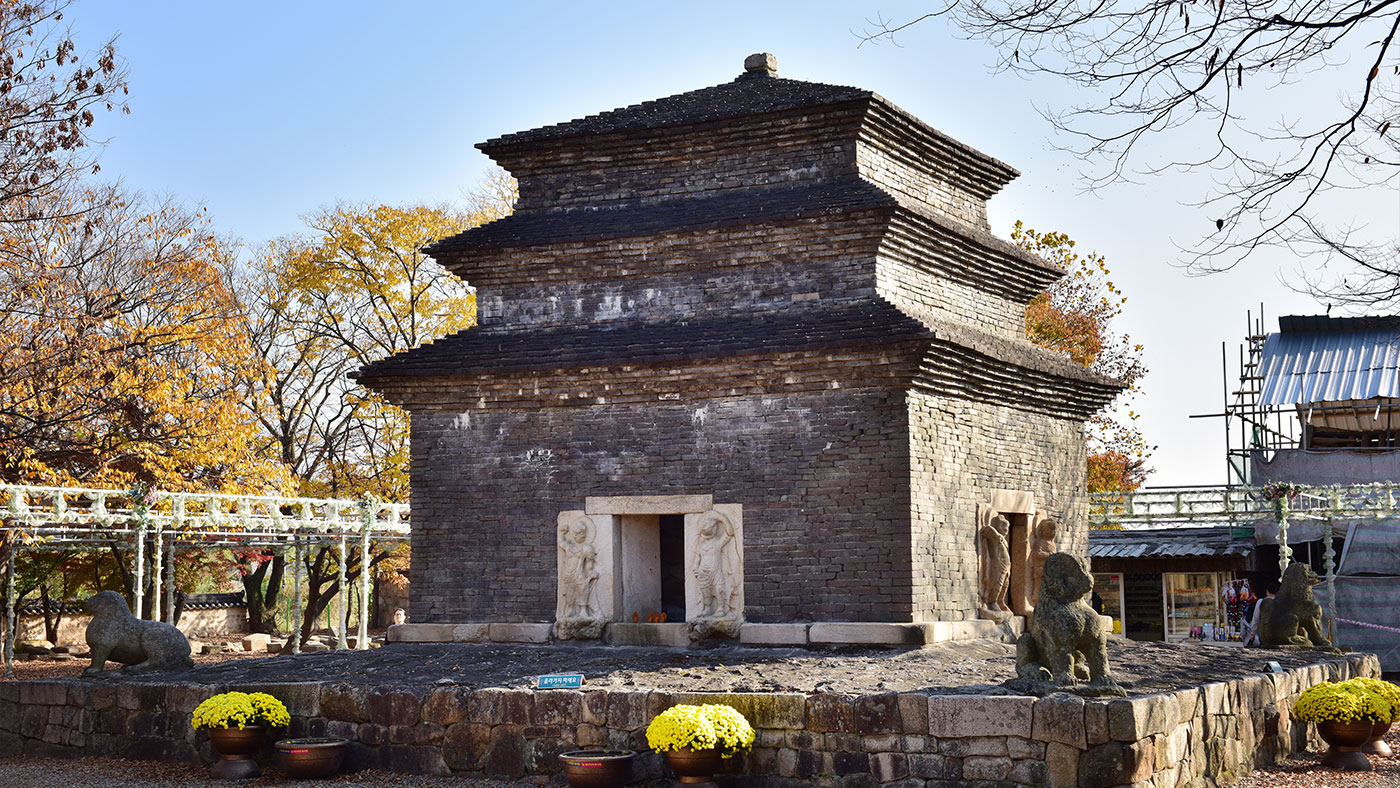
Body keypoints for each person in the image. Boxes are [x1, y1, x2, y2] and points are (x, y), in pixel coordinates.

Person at [1244, 581, 1279, 646]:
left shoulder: (1261, 602)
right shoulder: (1280, 602)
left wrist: (1252, 634)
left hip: (1263, 634)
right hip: (1277, 634)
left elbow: (1256, 619)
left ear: (1267, 591)